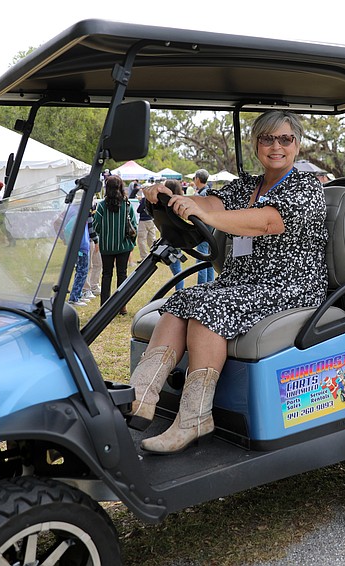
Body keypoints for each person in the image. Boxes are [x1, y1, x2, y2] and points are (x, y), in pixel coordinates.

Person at [131, 110, 328, 454]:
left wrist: (209, 215)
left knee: (210, 307)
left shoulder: (307, 188)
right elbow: (212, 202)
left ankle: (194, 417)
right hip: (244, 281)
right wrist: (176, 198)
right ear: (256, 144)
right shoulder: (249, 186)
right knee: (179, 302)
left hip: (289, 284)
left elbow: (267, 222)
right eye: (267, 139)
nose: (276, 146)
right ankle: (140, 397)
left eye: (285, 139)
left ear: (297, 145)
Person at [92, 175, 137, 315]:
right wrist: (132, 243)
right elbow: (133, 225)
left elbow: (96, 226)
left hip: (106, 247)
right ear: (121, 187)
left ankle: (105, 306)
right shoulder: (127, 204)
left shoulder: (101, 205)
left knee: (106, 275)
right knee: (122, 275)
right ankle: (121, 306)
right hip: (123, 246)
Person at [59, 192, 91, 307]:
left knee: (80, 270)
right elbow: (68, 229)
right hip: (81, 246)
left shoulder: (72, 209)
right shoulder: (78, 211)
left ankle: (78, 294)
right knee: (82, 271)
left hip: (79, 245)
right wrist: (74, 244)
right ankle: (74, 297)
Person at [189, 169, 216, 284]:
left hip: (203, 232)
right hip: (212, 232)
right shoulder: (210, 192)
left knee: (201, 261)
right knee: (210, 261)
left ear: (198, 179)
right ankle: (210, 283)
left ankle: (201, 285)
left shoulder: (201, 195)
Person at [163, 179, 185, 290]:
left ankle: (179, 292)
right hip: (177, 239)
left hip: (171, 240)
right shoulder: (179, 205)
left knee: (177, 271)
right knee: (176, 269)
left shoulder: (166, 204)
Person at [136, 187, 157, 263]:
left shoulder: (144, 199)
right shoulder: (153, 198)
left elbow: (139, 210)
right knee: (151, 238)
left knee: (141, 239)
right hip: (151, 219)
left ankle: (144, 256)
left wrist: (140, 201)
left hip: (143, 220)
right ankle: (154, 253)